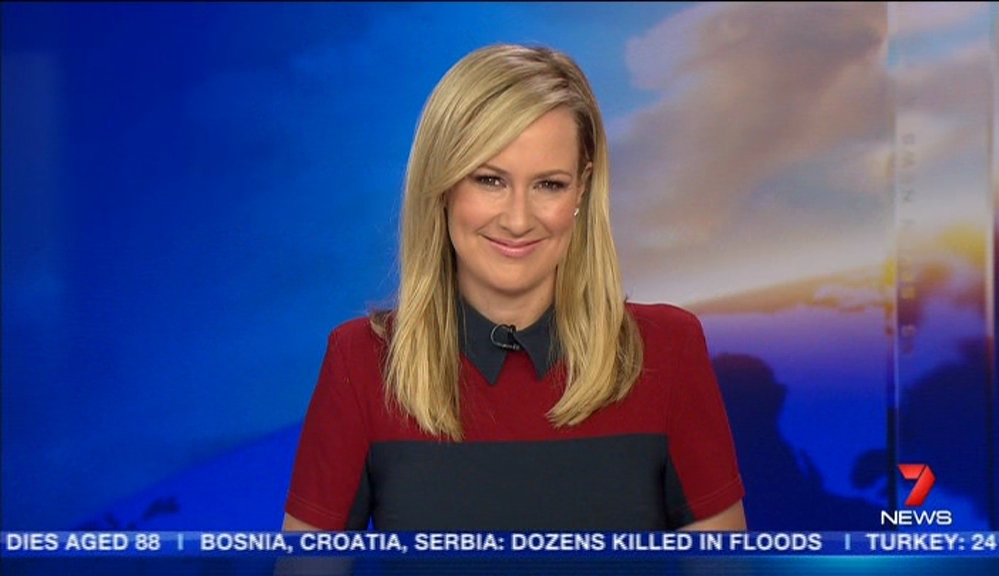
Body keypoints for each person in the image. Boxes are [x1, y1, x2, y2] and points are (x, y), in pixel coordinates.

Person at [283, 43, 746, 532]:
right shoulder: (361, 363)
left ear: (582, 188)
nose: (518, 220)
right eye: (489, 180)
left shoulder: (668, 351)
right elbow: (306, 564)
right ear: (442, 186)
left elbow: (723, 565)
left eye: (549, 184)